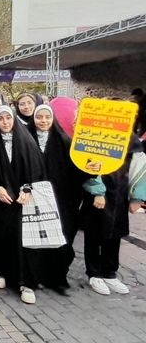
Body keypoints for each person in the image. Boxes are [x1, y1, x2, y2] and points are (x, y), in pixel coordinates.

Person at [28, 104, 87, 294]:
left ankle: (58, 278)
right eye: (39, 117)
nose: (43, 121)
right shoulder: (26, 140)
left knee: (61, 238)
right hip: (33, 199)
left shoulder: (65, 142)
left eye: (47, 117)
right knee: (36, 239)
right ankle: (36, 276)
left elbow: (77, 171)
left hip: (60, 201)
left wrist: (91, 170)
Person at [0, 105, 45, 304]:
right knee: (2, 235)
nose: (5, 122)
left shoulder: (27, 141)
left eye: (8, 118)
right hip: (2, 200)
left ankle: (26, 282)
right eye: (0, 119)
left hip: (25, 201)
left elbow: (37, 170)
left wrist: (27, 189)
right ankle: (1, 270)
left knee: (26, 240)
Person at [81, 135, 144, 296]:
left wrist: (137, 196)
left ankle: (109, 272)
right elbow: (85, 163)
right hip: (98, 194)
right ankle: (94, 273)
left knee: (115, 233)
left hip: (120, 192)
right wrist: (97, 191)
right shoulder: (92, 133)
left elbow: (140, 166)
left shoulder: (131, 138)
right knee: (94, 234)